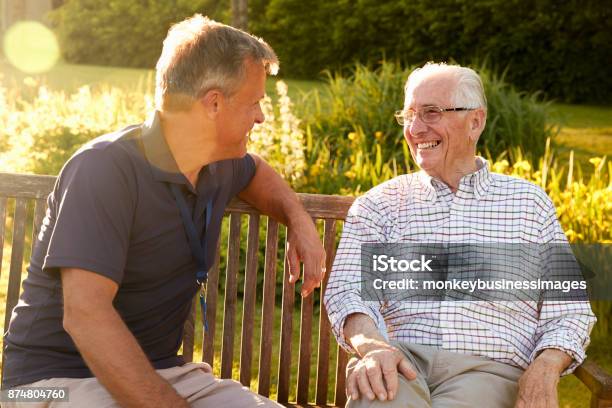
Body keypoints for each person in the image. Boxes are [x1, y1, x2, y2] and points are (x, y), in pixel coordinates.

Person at [2, 15, 326, 408]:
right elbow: (85, 315)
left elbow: (256, 171)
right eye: (255, 101)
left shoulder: (217, 162)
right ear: (214, 103)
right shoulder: (104, 169)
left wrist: (299, 221)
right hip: (55, 381)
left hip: (166, 374)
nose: (260, 116)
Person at [324, 63, 596, 408]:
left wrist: (546, 366)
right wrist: (374, 347)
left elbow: (569, 311)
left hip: (489, 370)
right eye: (409, 114)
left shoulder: (528, 204)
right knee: (379, 399)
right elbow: (347, 292)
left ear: (475, 122)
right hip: (398, 361)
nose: (416, 128)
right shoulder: (380, 204)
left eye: (431, 113)